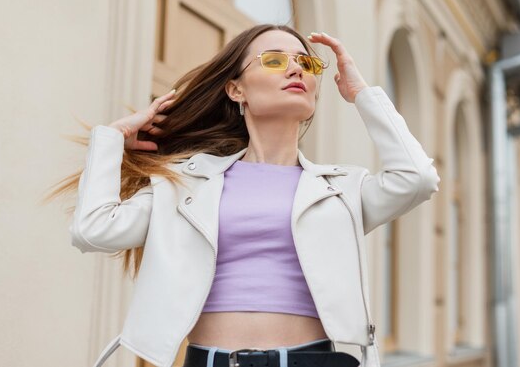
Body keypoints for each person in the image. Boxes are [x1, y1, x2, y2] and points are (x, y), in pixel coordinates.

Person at [63, 24, 440, 367]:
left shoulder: (340, 190)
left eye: (306, 63)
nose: (296, 69)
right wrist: (112, 138)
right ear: (236, 89)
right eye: (275, 60)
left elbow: (417, 178)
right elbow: (93, 230)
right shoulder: (186, 183)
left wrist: (362, 94)